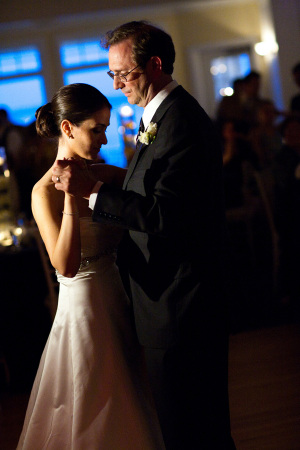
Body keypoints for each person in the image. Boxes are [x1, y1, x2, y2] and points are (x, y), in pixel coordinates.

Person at [52, 21, 236, 449]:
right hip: (168, 300)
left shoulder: (180, 122)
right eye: (112, 74)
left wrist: (93, 192)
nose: (116, 85)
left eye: (123, 74)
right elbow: (160, 191)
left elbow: (165, 214)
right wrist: (118, 178)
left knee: (192, 430)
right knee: (192, 427)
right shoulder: (162, 116)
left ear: (154, 65)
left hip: (181, 304)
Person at [17, 83, 165, 449]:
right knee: (96, 398)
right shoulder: (44, 192)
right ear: (68, 128)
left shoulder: (110, 176)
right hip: (84, 304)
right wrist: (72, 193)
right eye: (95, 129)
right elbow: (65, 265)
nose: (104, 136)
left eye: (106, 127)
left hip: (121, 293)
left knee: (135, 393)